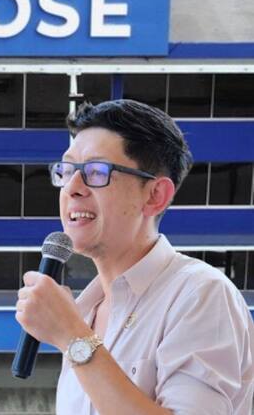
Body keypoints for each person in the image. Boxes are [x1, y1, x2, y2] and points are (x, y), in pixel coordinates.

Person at [15, 99, 254, 414]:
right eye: (67, 170)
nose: (72, 187)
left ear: (155, 195)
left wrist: (73, 338)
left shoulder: (200, 294)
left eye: (96, 172)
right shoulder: (85, 310)